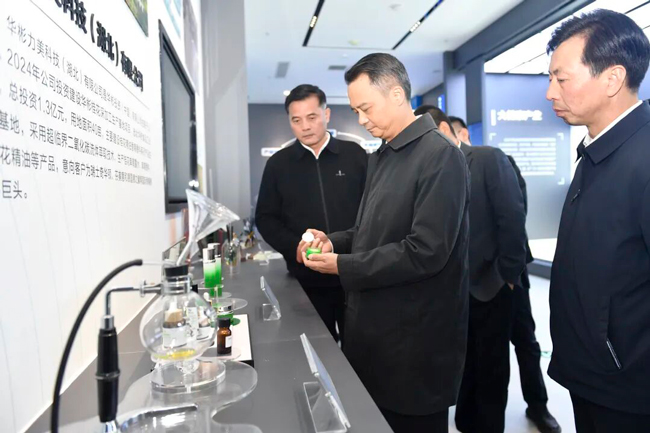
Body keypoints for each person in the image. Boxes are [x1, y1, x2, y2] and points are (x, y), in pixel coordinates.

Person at [299, 53, 470, 433]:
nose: (361, 120)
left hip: (413, 344)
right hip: (373, 335)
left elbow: (426, 251)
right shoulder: (383, 155)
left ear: (396, 94)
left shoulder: (440, 156)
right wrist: (333, 242)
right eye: (356, 111)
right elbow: (370, 230)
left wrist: (342, 265)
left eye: (366, 108)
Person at [546, 9, 650, 432]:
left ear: (612, 78)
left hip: (629, 388)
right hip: (592, 373)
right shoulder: (597, 150)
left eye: (561, 79)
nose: (550, 92)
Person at [415, 106, 528, 433]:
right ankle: (465, 424)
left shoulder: (488, 159)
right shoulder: (430, 170)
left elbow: (512, 218)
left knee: (491, 370)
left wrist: (507, 277)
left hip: (490, 286)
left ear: (443, 129)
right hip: (450, 294)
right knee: (461, 366)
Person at [449, 115, 561, 432]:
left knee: (524, 340)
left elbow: (514, 214)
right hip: (470, 283)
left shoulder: (496, 160)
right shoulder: (446, 169)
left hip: (508, 276)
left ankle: (538, 405)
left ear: (460, 133)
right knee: (477, 352)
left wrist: (507, 275)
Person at [255, 84, 367, 342]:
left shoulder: (355, 155)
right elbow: (265, 217)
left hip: (353, 274)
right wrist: (294, 246)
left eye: (312, 117)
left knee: (361, 349)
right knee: (318, 349)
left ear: (326, 115)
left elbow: (372, 208)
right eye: (296, 120)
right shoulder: (278, 165)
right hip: (306, 280)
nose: (305, 126)